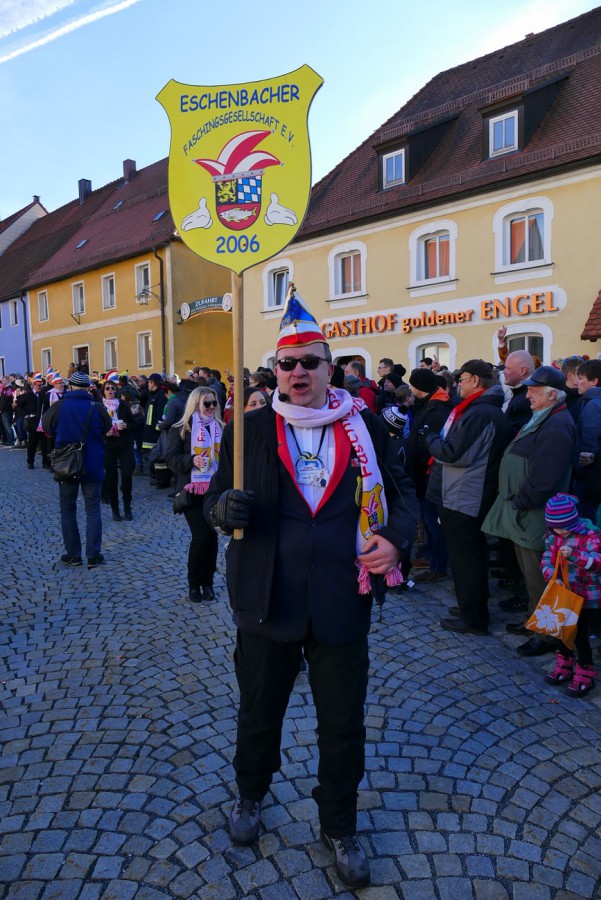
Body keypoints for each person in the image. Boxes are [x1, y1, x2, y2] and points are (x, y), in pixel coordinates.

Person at [204, 286, 418, 889]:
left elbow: (401, 496)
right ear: (276, 371)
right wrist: (225, 511)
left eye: (310, 363)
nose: (297, 373)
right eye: (287, 364)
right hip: (266, 597)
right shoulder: (246, 430)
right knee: (258, 711)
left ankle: (339, 823)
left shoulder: (365, 425)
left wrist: (397, 541)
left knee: (342, 721)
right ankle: (251, 794)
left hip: (341, 596)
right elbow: (212, 505)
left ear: (331, 368)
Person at [482, 366, 576, 656]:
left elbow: (546, 478)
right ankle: (535, 620)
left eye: (534, 390)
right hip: (525, 512)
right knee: (530, 573)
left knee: (539, 576)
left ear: (551, 395)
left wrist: (520, 501)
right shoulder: (545, 416)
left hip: (534, 514)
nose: (528, 394)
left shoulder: (557, 425)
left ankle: (547, 635)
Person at [425, 360, 509, 635]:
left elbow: (453, 453)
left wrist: (431, 439)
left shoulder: (481, 413)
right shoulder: (480, 410)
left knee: (466, 559)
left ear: (474, 380)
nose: (458, 383)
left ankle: (473, 618)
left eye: (461, 379)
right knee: (471, 556)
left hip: (464, 496)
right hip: (464, 492)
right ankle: (470, 607)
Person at [42, 371, 112, 568]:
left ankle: (73, 555)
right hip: (93, 463)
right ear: (88, 388)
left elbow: (47, 427)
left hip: (67, 463)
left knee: (68, 509)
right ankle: (93, 555)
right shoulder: (96, 407)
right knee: (92, 509)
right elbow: (107, 427)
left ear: (70, 386)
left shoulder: (60, 405)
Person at [165, 387, 222, 603]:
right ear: (195, 404)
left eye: (213, 403)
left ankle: (208, 583)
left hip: (214, 491)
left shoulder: (220, 427)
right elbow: (171, 459)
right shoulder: (181, 429)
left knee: (213, 538)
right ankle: (194, 584)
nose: (211, 407)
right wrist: (191, 460)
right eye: (206, 403)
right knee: (200, 538)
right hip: (192, 490)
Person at [541, 493, 601, 696]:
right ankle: (565, 661)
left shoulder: (590, 536)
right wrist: (552, 577)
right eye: (555, 527)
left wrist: (575, 555)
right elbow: (546, 561)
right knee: (562, 631)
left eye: (563, 526)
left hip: (585, 597)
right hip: (564, 595)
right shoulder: (552, 537)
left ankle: (585, 669)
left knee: (580, 635)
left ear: (573, 521)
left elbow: (596, 562)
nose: (559, 531)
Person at [405, 367, 453, 584]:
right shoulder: (428, 405)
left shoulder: (438, 410)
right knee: (430, 522)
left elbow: (431, 445)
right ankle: (433, 558)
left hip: (430, 477)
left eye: (411, 384)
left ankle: (438, 565)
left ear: (419, 388)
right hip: (423, 476)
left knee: (434, 524)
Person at [102, 380, 136, 521]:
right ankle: (115, 510)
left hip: (124, 445)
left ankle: (127, 507)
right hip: (108, 446)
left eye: (113, 388)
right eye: (108, 388)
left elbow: (135, 424)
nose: (111, 390)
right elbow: (94, 428)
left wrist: (126, 426)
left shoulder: (123, 406)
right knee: (111, 479)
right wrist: (105, 433)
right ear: (103, 391)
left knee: (127, 476)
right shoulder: (99, 407)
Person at [572, 358, 601, 522]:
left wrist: (579, 471)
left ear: (594, 381)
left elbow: (590, 450)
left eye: (581, 379)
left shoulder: (593, 406)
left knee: (587, 522)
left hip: (590, 481)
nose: (577, 383)